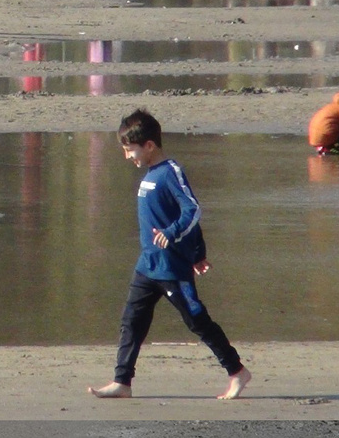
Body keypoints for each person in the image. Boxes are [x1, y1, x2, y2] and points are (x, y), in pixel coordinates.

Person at [89, 109, 251, 401]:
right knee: (131, 321)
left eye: (130, 150)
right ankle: (122, 382)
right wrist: (199, 252)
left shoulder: (171, 172)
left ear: (149, 145)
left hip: (172, 267)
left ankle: (237, 371)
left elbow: (192, 210)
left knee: (196, 321)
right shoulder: (151, 174)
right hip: (147, 266)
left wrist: (181, 240)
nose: (128, 157)